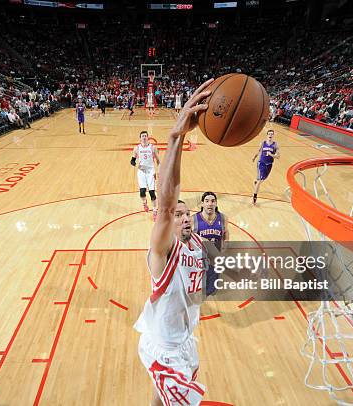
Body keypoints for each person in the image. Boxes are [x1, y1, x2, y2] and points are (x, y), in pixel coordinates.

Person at [134, 78, 215, 406]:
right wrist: (175, 135)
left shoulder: (197, 243)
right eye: (176, 215)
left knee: (158, 398)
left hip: (184, 340)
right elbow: (167, 201)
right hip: (164, 349)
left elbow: (196, 292)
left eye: (186, 213)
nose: (182, 216)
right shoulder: (163, 252)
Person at [192, 191, 228, 296]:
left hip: (215, 256)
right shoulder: (193, 219)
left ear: (216, 203)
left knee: (213, 279)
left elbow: (226, 233)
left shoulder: (223, 218)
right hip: (199, 257)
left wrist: (225, 246)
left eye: (213, 201)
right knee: (198, 279)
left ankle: (210, 291)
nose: (210, 203)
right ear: (202, 203)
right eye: (207, 201)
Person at [131, 131, 161, 221]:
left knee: (152, 193)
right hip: (141, 172)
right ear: (140, 138)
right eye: (142, 136)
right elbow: (132, 161)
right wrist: (136, 164)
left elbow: (158, 160)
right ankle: (144, 203)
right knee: (142, 192)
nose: (144, 137)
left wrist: (159, 171)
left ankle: (155, 211)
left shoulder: (153, 148)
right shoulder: (137, 148)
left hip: (150, 171)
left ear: (148, 137)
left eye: (145, 136)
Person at [252, 129, 280, 205]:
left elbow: (278, 156)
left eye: (272, 134)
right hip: (261, 163)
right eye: (269, 134)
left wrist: (271, 155)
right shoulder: (263, 143)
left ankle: (256, 182)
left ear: (273, 135)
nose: (270, 135)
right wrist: (254, 157)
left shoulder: (275, 144)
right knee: (260, 180)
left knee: (263, 179)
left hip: (269, 164)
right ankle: (254, 198)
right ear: (267, 135)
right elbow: (258, 151)